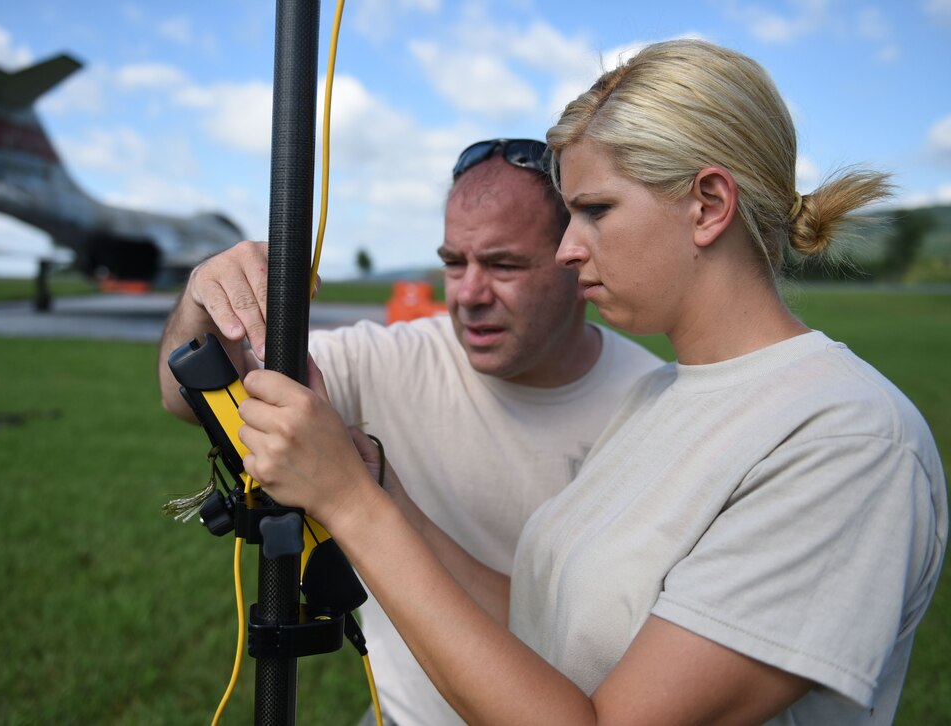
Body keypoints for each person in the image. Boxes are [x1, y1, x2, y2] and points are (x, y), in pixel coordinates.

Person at [233, 39, 948, 725]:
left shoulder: (848, 440)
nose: (568, 250)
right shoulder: (659, 394)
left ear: (708, 205)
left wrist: (352, 506)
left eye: (596, 211)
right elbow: (547, 624)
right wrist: (383, 491)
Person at [157, 139, 663, 725]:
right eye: (454, 262)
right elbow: (186, 401)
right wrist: (202, 300)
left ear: (576, 258)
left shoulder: (652, 405)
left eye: (504, 265)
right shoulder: (390, 358)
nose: (469, 294)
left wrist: (358, 498)